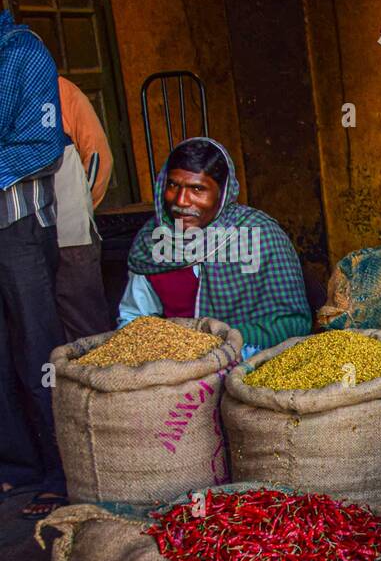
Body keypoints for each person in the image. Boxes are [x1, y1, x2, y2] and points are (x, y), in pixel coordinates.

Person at [120, 137, 311, 356]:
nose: (181, 201)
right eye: (173, 185)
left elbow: (292, 323)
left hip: (250, 359)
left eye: (197, 189)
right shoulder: (151, 241)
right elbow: (134, 319)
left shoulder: (258, 234)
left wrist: (217, 344)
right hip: (174, 365)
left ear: (223, 193)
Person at [0, 8, 69, 519]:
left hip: (17, 227)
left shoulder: (22, 52)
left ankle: (60, 470)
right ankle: (17, 467)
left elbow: (44, 147)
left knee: (36, 350)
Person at [53, 75, 114, 340]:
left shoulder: (61, 90)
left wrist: (81, 206)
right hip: (19, 239)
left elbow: (98, 155)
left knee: (85, 324)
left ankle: (97, 380)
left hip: (70, 231)